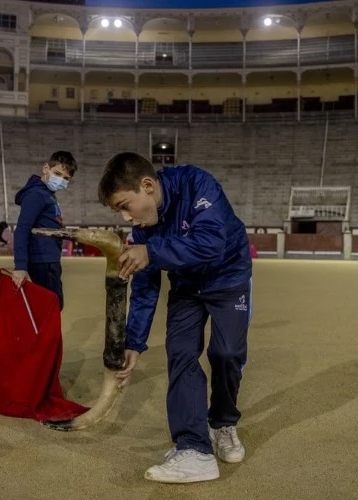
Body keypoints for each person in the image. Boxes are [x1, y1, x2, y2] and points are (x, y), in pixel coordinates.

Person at [97, 152, 252, 484]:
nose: (126, 217)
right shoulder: (141, 233)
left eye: (125, 205)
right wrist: (134, 343)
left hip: (229, 278)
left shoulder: (198, 184)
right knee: (180, 353)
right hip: (186, 287)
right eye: (118, 211)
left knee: (226, 354)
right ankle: (194, 448)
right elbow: (146, 287)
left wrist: (151, 252)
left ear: (148, 185)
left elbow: (211, 244)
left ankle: (222, 423)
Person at [12, 151, 78, 311]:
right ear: (46, 168)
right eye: (57, 173)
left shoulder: (48, 195)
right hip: (42, 260)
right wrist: (20, 266)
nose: (61, 180)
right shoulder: (36, 194)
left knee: (50, 306)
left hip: (49, 258)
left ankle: (45, 336)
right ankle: (45, 337)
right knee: (49, 308)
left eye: (66, 178)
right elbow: (22, 229)